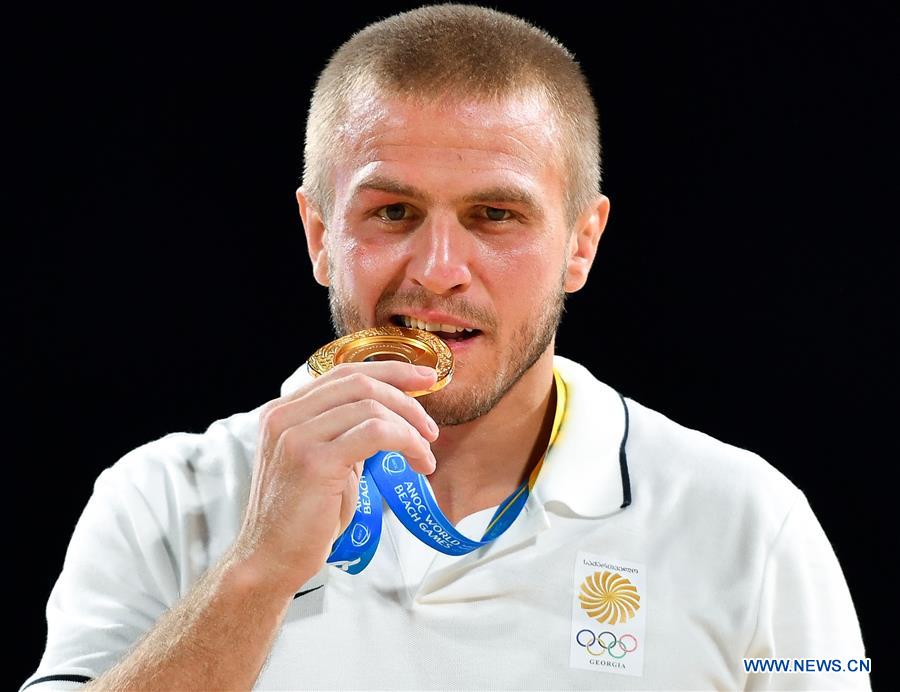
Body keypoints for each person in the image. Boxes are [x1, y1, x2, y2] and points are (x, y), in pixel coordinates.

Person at [20, 4, 869, 690]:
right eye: (391, 212)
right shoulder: (162, 499)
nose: (437, 271)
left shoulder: (750, 522)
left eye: (495, 215)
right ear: (319, 233)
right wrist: (253, 574)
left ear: (582, 241)